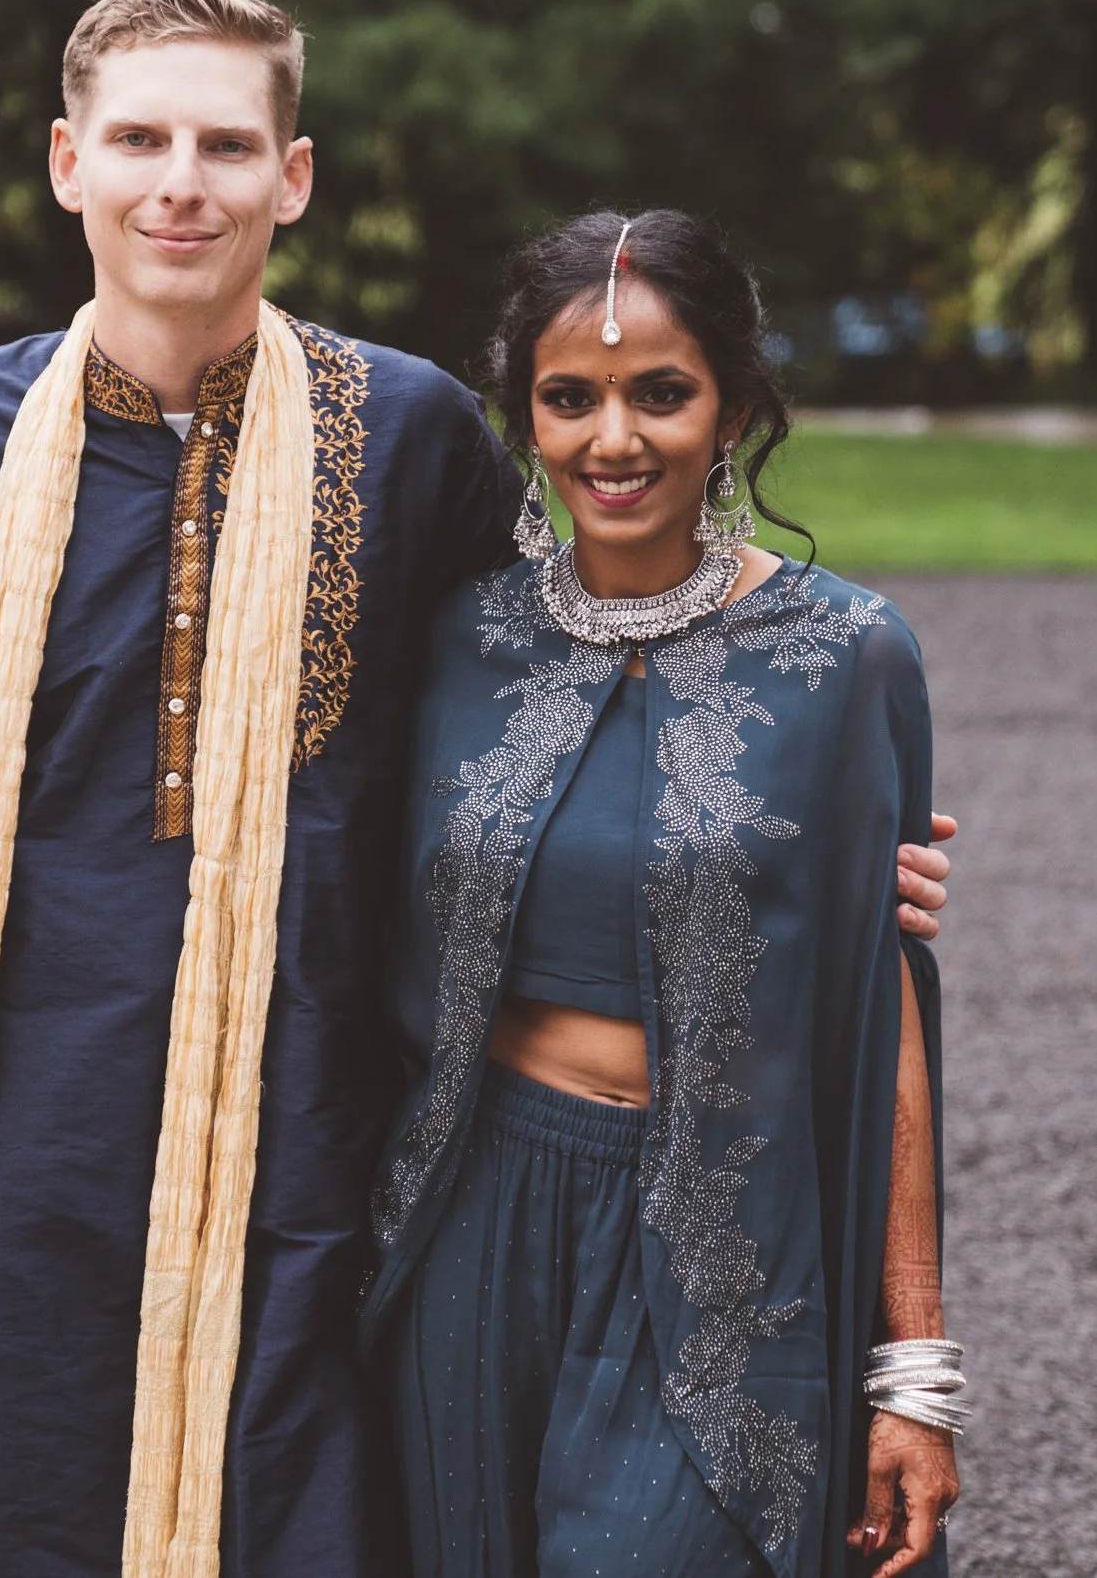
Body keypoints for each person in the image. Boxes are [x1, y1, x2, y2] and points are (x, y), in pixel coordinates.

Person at [0, 0, 954, 1578]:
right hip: (5, 1141)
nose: (179, 182)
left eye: (223, 141)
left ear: (294, 176)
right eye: (138, 139)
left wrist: (817, 840)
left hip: (307, 1149)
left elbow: (576, 663)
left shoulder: (406, 438)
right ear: (69, 163)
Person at [362, 209, 961, 1578]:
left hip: (721, 1243)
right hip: (470, 1213)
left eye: (661, 393)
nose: (612, 439)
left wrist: (913, 1373)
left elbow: (889, 1015)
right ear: (525, 420)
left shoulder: (848, 657)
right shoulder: (461, 640)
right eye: (568, 399)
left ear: (736, 409)